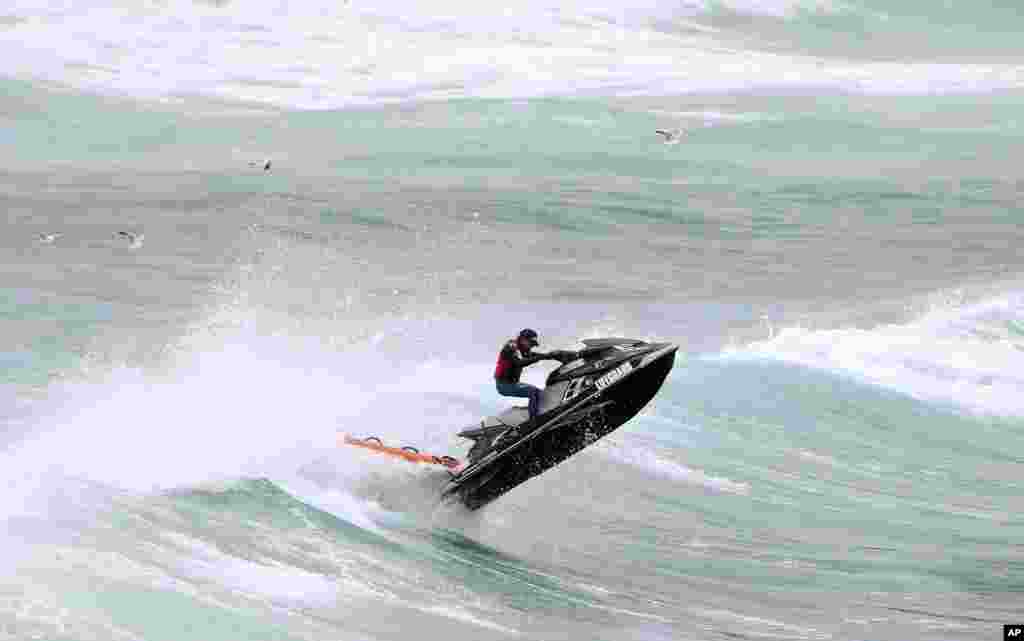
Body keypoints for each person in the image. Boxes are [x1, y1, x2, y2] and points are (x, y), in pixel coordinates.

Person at [494, 329, 561, 423]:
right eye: (531, 343)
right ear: (523, 340)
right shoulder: (511, 346)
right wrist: (541, 357)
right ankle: (533, 421)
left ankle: (537, 415)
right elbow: (520, 362)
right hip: (504, 385)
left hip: (513, 383)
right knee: (533, 392)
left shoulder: (522, 348)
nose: (531, 346)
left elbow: (531, 355)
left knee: (540, 394)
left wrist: (550, 356)